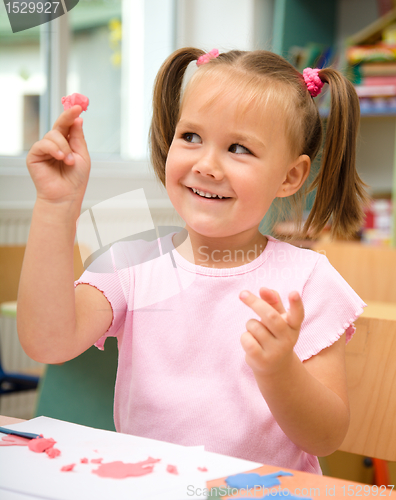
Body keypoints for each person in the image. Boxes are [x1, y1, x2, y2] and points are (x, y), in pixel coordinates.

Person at [18, 47, 369, 474]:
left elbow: (326, 437)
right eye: (191, 137)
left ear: (290, 177)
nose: (206, 164)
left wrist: (280, 371)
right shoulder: (130, 262)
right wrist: (56, 207)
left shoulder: (308, 280)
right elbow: (48, 342)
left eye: (238, 148)